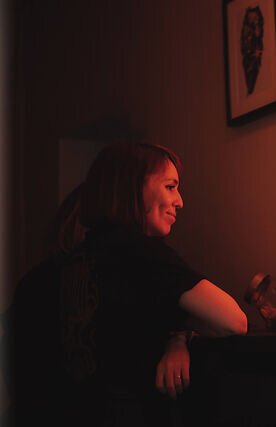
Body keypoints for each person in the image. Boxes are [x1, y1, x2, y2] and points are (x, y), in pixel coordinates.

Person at [6, 141, 247, 427]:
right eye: (170, 187)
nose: (180, 201)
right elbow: (233, 320)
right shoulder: (141, 254)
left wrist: (176, 338)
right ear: (134, 187)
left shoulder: (42, 277)